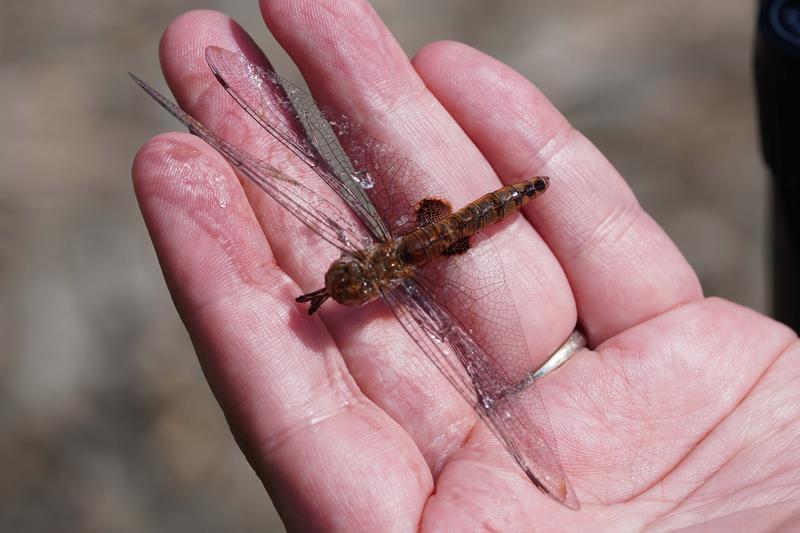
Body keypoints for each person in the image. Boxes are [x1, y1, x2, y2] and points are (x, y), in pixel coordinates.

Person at [132, 2, 800, 530]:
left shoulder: (395, 280)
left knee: (474, 218)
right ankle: (510, 199)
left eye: (349, 282)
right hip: (428, 229)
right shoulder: (366, 266)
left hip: (448, 226)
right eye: (347, 283)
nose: (347, 283)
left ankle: (520, 197)